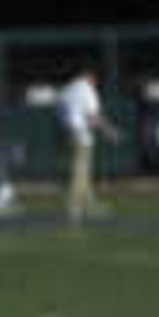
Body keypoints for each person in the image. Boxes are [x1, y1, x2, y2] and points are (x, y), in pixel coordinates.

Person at [51, 65, 111, 227]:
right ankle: (74, 210)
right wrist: (109, 132)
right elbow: (92, 117)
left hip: (69, 133)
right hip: (81, 135)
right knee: (80, 174)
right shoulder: (87, 90)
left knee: (83, 174)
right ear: (91, 78)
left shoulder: (68, 89)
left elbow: (58, 112)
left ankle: (90, 205)